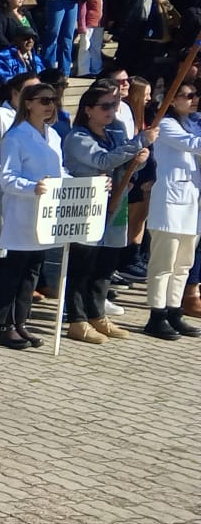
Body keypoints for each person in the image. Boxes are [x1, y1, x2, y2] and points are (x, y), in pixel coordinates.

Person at [63, 81, 153, 342]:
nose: (111, 111)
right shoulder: (77, 137)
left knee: (106, 264)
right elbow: (102, 161)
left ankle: (97, 313)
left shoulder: (115, 132)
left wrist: (137, 161)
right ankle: (77, 319)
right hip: (87, 206)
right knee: (83, 265)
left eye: (114, 106)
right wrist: (139, 142)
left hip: (117, 204)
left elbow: (124, 168)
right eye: (105, 106)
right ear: (88, 109)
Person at [0, 82, 67, 349]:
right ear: (28, 103)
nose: (49, 105)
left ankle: (20, 321)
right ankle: (3, 325)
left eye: (53, 100)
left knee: (33, 271)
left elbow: (60, 172)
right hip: (23, 211)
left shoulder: (53, 135)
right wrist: (31, 187)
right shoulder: (15, 137)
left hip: (45, 215)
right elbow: (6, 177)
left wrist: (86, 183)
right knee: (15, 271)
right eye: (44, 100)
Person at [144, 81, 201, 339]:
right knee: (164, 263)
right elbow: (191, 144)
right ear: (172, 99)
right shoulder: (165, 124)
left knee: (183, 264)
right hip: (169, 203)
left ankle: (174, 310)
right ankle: (157, 314)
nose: (193, 99)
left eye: (194, 95)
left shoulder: (193, 123)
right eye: (187, 96)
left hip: (192, 204)